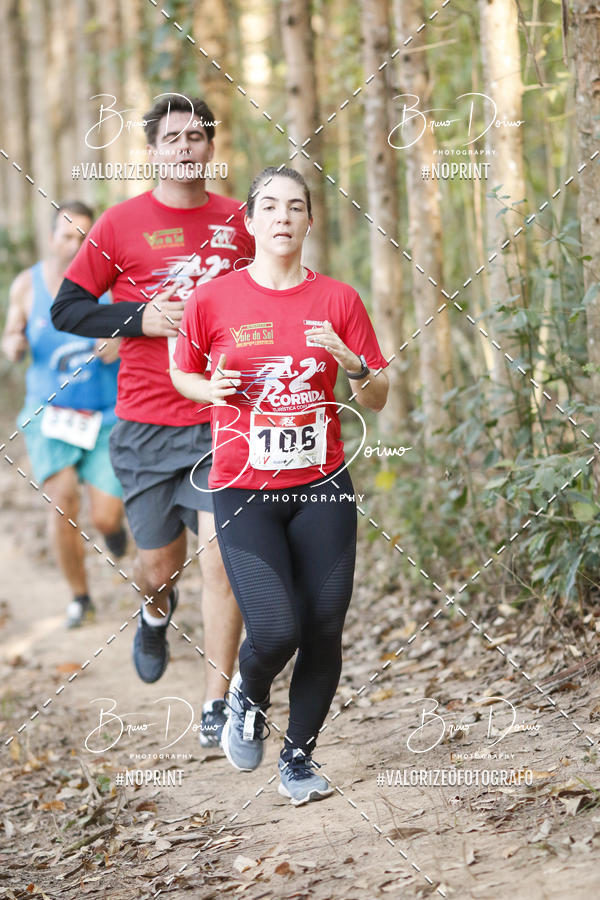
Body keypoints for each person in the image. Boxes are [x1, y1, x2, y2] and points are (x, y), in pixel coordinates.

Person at [170, 166, 389, 805]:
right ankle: (249, 690)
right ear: (249, 220)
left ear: (310, 221)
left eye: (296, 207)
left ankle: (297, 757)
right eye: (270, 206)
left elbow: (377, 396)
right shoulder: (213, 300)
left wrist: (351, 362)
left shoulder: (340, 300)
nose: (283, 217)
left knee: (323, 625)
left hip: (322, 483)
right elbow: (182, 371)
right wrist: (205, 389)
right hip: (243, 486)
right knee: (275, 631)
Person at [51, 96, 253, 747]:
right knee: (158, 565)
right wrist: (139, 320)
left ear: (211, 148)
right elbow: (68, 309)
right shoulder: (118, 224)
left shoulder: (241, 222)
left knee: (223, 561)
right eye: (173, 137)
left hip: (222, 418)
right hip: (144, 425)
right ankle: (154, 612)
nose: (187, 146)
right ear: (153, 152)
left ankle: (216, 703)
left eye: (198, 136)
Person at [2, 202, 126, 627]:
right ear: (52, 236)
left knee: (107, 513)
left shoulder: (110, 285)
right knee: (62, 499)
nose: (74, 245)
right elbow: (11, 335)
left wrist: (120, 344)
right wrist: (14, 344)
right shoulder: (27, 284)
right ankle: (80, 597)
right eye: (66, 235)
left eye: (83, 238)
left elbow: (139, 333)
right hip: (49, 411)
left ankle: (113, 531)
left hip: (106, 413)